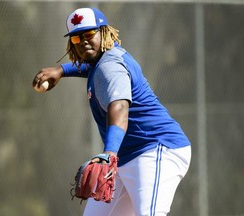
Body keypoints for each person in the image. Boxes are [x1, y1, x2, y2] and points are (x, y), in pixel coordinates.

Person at [32, 7, 191, 216]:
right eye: (77, 39)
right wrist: (62, 70)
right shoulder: (102, 61)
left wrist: (109, 154)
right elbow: (91, 67)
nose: (84, 42)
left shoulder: (110, 67)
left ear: (105, 32)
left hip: (154, 149)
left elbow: (119, 107)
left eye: (89, 34)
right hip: (125, 157)